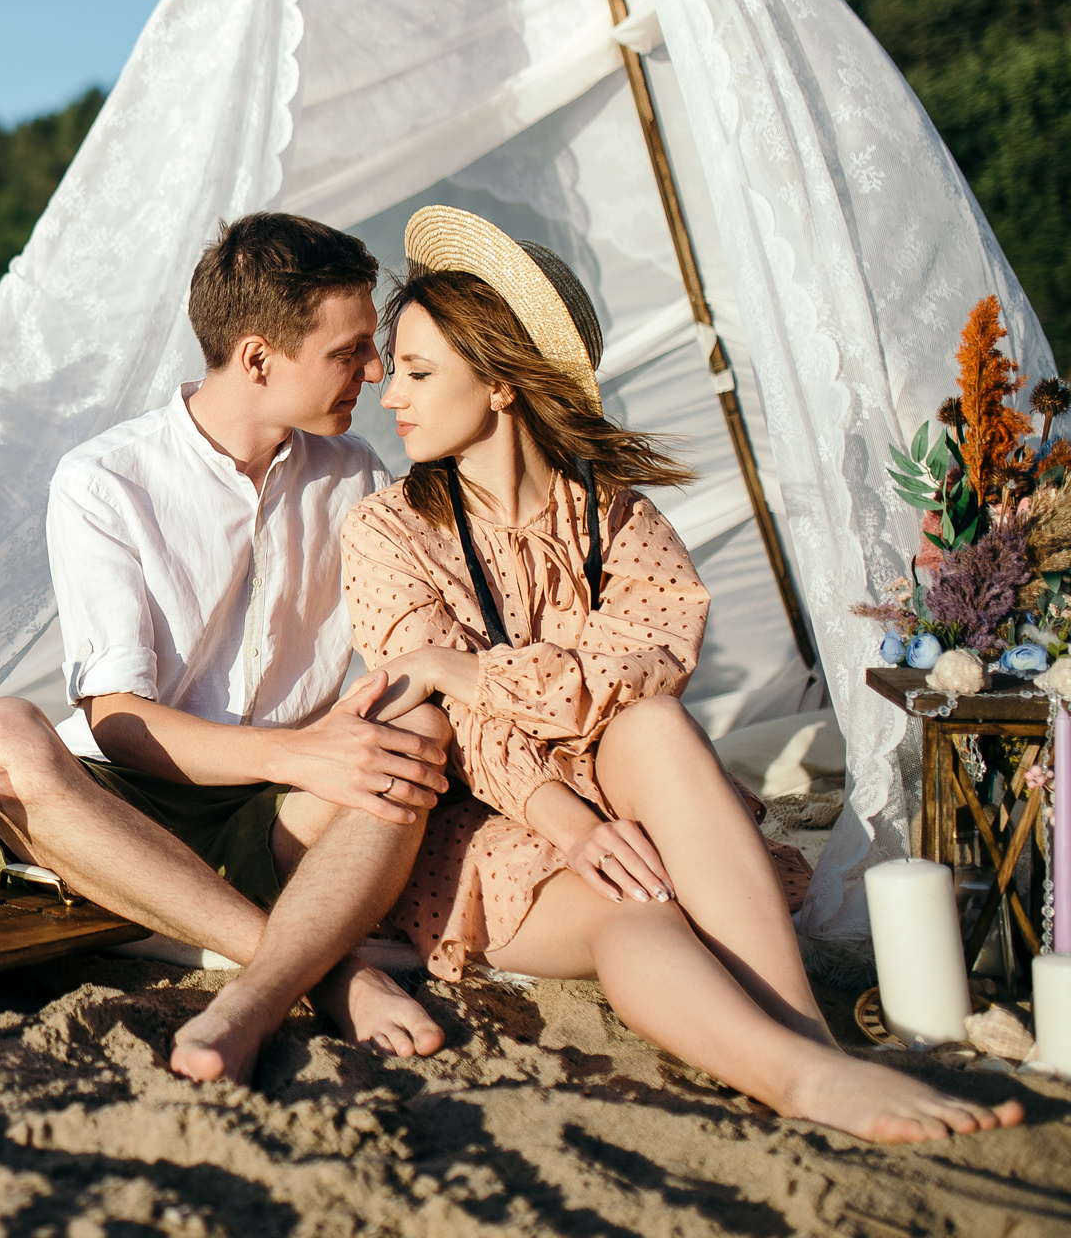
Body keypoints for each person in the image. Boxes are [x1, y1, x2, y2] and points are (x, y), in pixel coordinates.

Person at [344, 204, 1022, 1143]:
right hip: (495, 826)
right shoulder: (388, 531)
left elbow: (645, 666)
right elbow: (462, 728)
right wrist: (567, 816)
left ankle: (807, 1037)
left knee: (653, 725)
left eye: (417, 372)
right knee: (644, 915)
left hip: (632, 783)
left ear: (502, 383)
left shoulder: (612, 514)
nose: (393, 396)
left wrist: (466, 665)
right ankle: (805, 1079)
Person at [0, 211, 456, 1085]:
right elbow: (115, 722)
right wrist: (303, 752)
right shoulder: (104, 480)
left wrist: (335, 745)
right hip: (129, 806)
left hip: (281, 812)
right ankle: (326, 971)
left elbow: (403, 650)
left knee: (418, 722)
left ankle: (247, 957)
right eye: (350, 352)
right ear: (258, 358)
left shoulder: (357, 472)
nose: (376, 372)